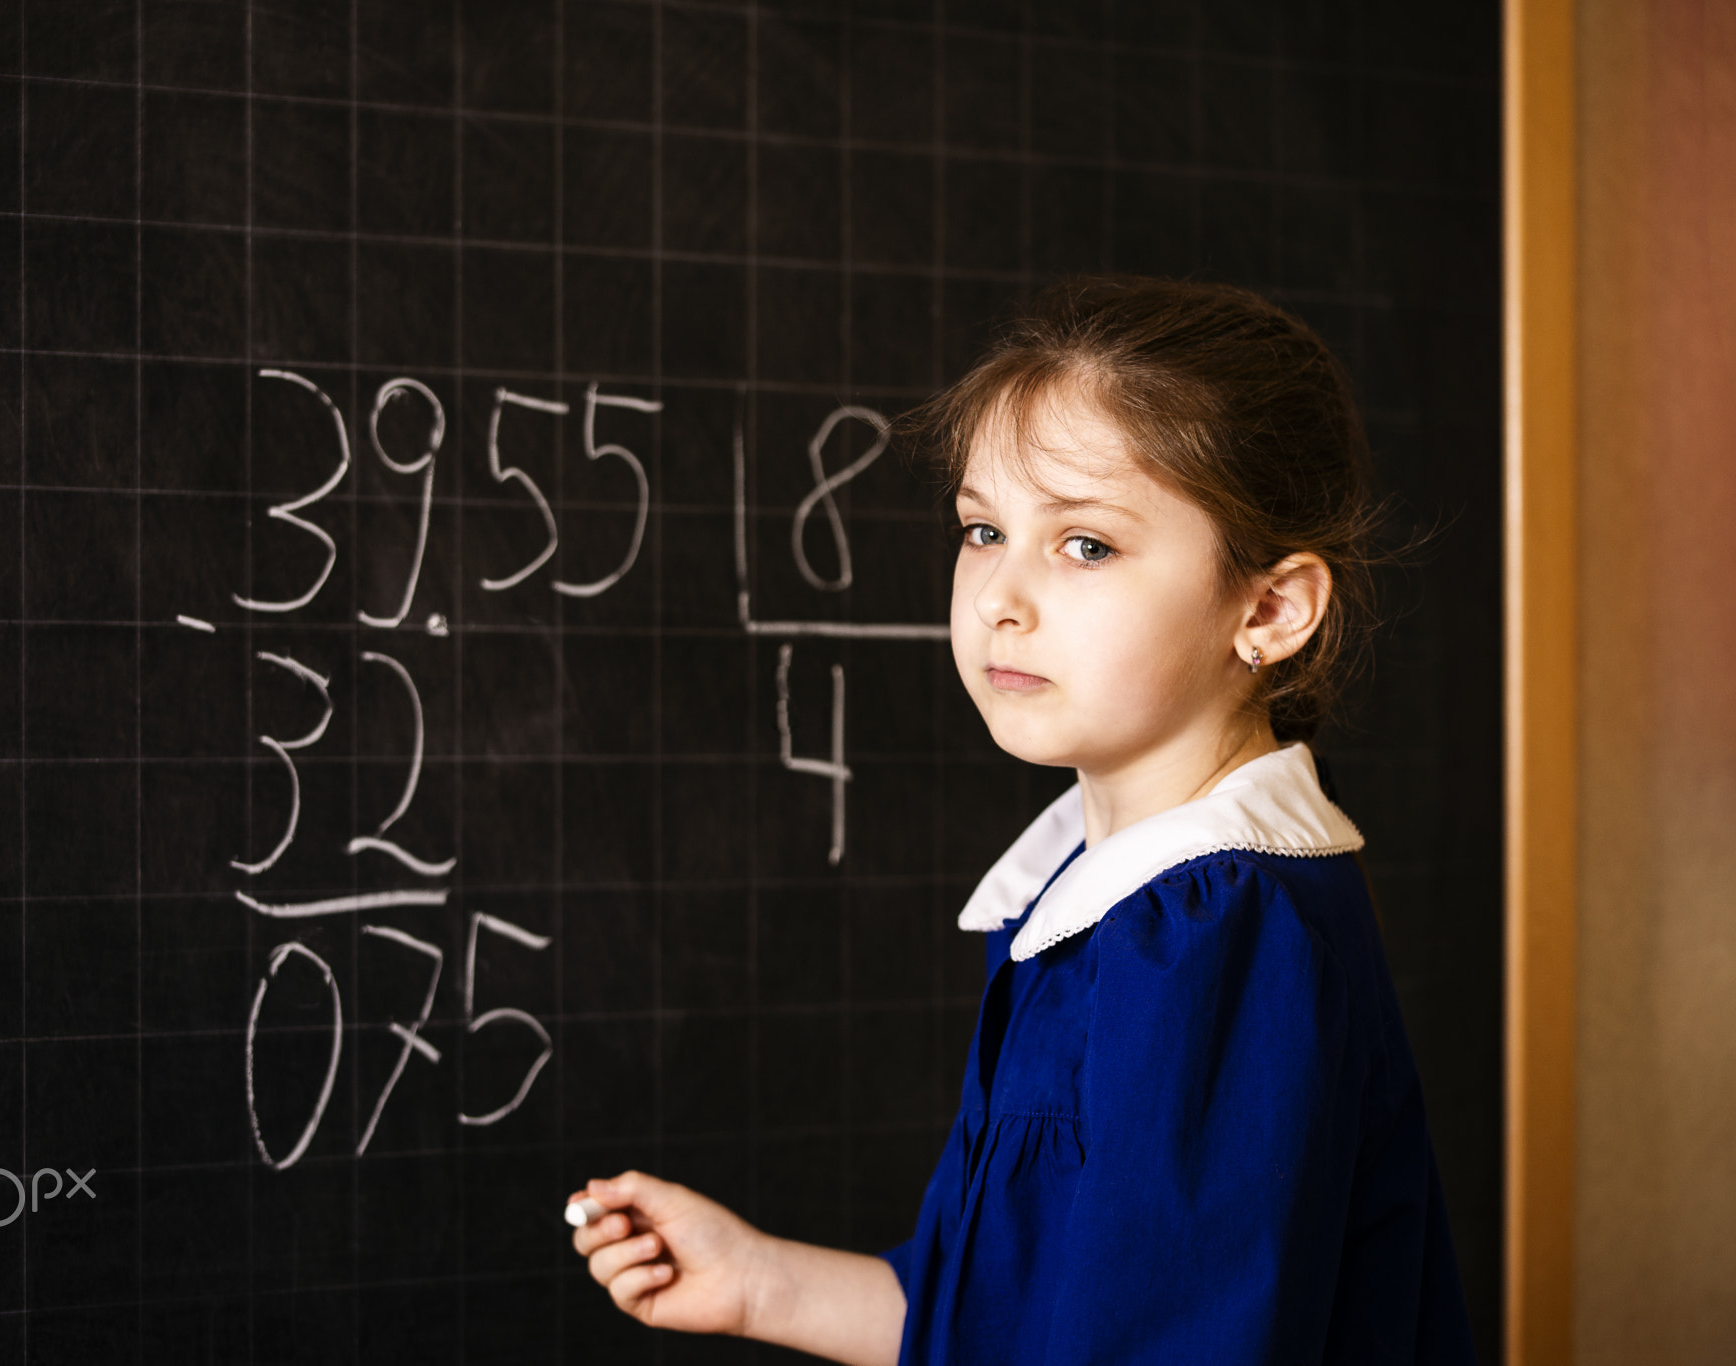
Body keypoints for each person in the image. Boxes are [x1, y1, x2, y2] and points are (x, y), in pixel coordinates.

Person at [568, 276, 1477, 1364]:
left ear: (1268, 609)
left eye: (1084, 544)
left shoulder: (1209, 938)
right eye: (982, 528)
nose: (1000, 592)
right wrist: (760, 1283)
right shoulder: (1106, 901)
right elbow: (1000, 1319)